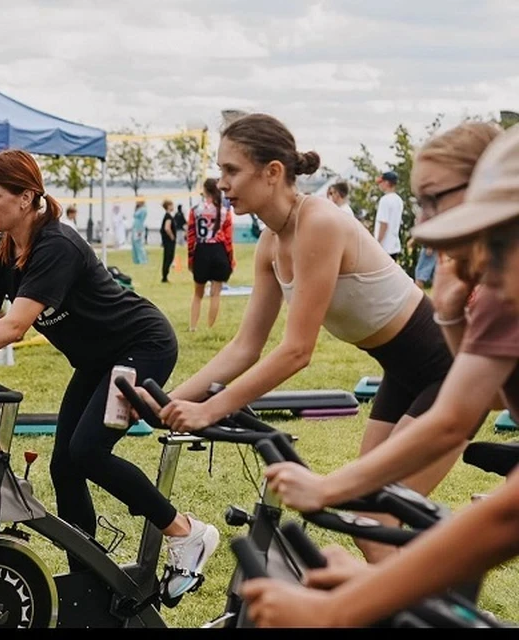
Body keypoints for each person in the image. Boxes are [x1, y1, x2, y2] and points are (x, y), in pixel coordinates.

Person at [0, 149, 220, 600]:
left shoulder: (56, 245)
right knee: (64, 467)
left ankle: (186, 532)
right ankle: (90, 581)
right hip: (97, 362)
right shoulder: (1, 250)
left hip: (140, 348)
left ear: (26, 196)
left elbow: (13, 327)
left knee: (88, 451)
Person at [137, 113, 453, 563]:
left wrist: (209, 408)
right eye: (221, 170)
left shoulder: (319, 223)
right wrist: (169, 402)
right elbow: (245, 346)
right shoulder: (270, 243)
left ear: (272, 172)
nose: (222, 183)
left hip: (447, 372)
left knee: (376, 521)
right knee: (370, 522)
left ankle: (433, 593)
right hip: (402, 374)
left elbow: (297, 351)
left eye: (231, 170)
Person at [240, 123, 519, 628]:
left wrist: (337, 609)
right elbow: (488, 400)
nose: (424, 223)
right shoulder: (499, 289)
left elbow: (500, 505)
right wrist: (450, 313)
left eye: (433, 202)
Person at [186, 177, 234, 330]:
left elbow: (191, 236)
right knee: (215, 293)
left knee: (198, 294)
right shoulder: (225, 211)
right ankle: (210, 327)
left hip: (202, 250)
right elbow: (228, 239)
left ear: (205, 190)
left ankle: (193, 326)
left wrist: (190, 258)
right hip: (219, 250)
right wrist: (231, 258)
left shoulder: (195, 210)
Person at [375, 171, 404, 261]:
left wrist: (378, 242)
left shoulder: (385, 200)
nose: (380, 185)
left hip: (384, 246)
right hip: (394, 245)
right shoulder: (398, 200)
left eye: (381, 182)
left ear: (387, 183)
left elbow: (384, 223)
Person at [160, 199, 177, 283]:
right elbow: (167, 228)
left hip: (167, 241)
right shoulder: (168, 217)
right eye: (172, 205)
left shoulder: (168, 216)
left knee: (168, 257)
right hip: (169, 241)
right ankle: (164, 276)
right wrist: (172, 236)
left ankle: (165, 275)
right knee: (168, 257)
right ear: (168, 206)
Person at [131, 199, 148, 264]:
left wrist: (140, 230)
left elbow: (142, 220)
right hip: (135, 227)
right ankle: (136, 259)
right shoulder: (139, 209)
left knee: (138, 244)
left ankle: (142, 260)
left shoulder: (143, 210)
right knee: (134, 244)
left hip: (138, 227)